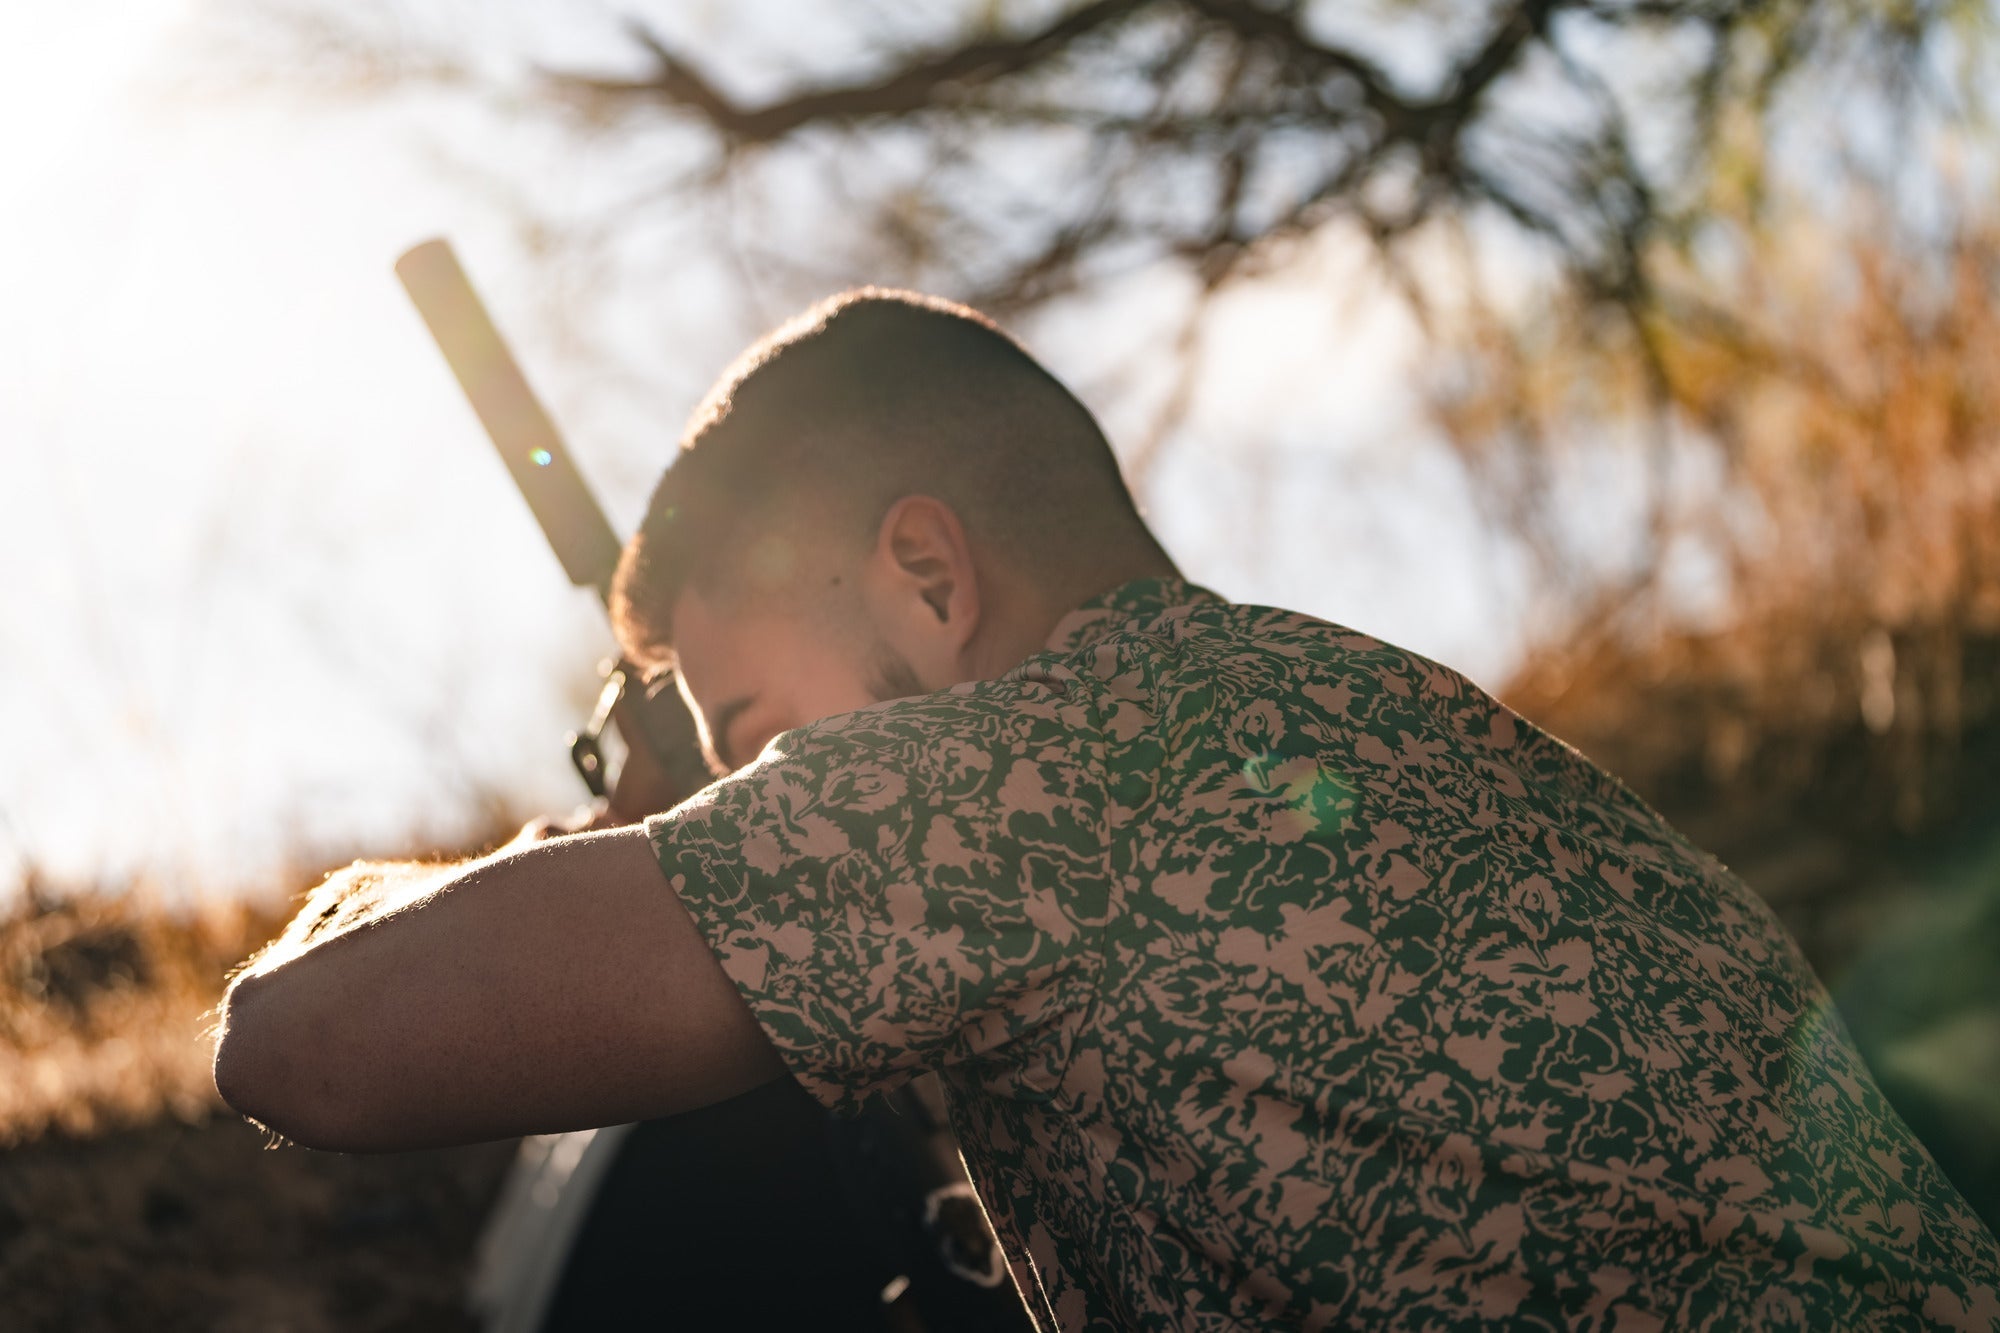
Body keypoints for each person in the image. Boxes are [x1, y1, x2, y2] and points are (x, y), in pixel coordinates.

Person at [215, 289, 2000, 1330]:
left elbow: (308, 1044)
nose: (765, 794)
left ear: (927, 571)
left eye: (754, 732)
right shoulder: (1366, 721)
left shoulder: (1031, 774)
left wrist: (564, 861)